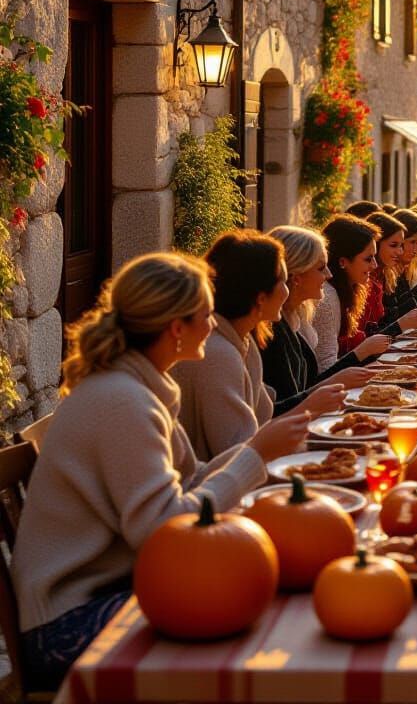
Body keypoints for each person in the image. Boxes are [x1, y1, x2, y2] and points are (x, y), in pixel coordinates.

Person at [11, 253, 312, 689]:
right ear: (176, 328)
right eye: (206, 315)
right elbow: (164, 528)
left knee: (267, 590)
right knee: (256, 615)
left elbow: (189, 483)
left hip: (117, 591)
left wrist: (257, 450)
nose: (213, 325)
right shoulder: (122, 401)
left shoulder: (139, 387)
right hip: (67, 622)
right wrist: (255, 456)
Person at [173, 231, 344, 462]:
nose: (287, 290)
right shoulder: (218, 352)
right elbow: (238, 452)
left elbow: (264, 422)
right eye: (283, 281)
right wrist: (311, 406)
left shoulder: (245, 341)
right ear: (261, 297)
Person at [259, 226, 375, 412]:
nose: (329, 274)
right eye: (321, 268)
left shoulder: (296, 314)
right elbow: (284, 406)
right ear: (296, 276)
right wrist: (357, 357)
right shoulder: (272, 329)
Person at [312, 214, 391, 370]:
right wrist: (363, 351)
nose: (374, 265)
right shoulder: (327, 298)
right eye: (368, 259)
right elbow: (326, 369)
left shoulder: (348, 289)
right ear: (343, 262)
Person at [367, 211, 417, 334]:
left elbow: (393, 313)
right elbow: (384, 322)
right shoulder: (373, 276)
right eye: (412, 242)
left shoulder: (388, 272)